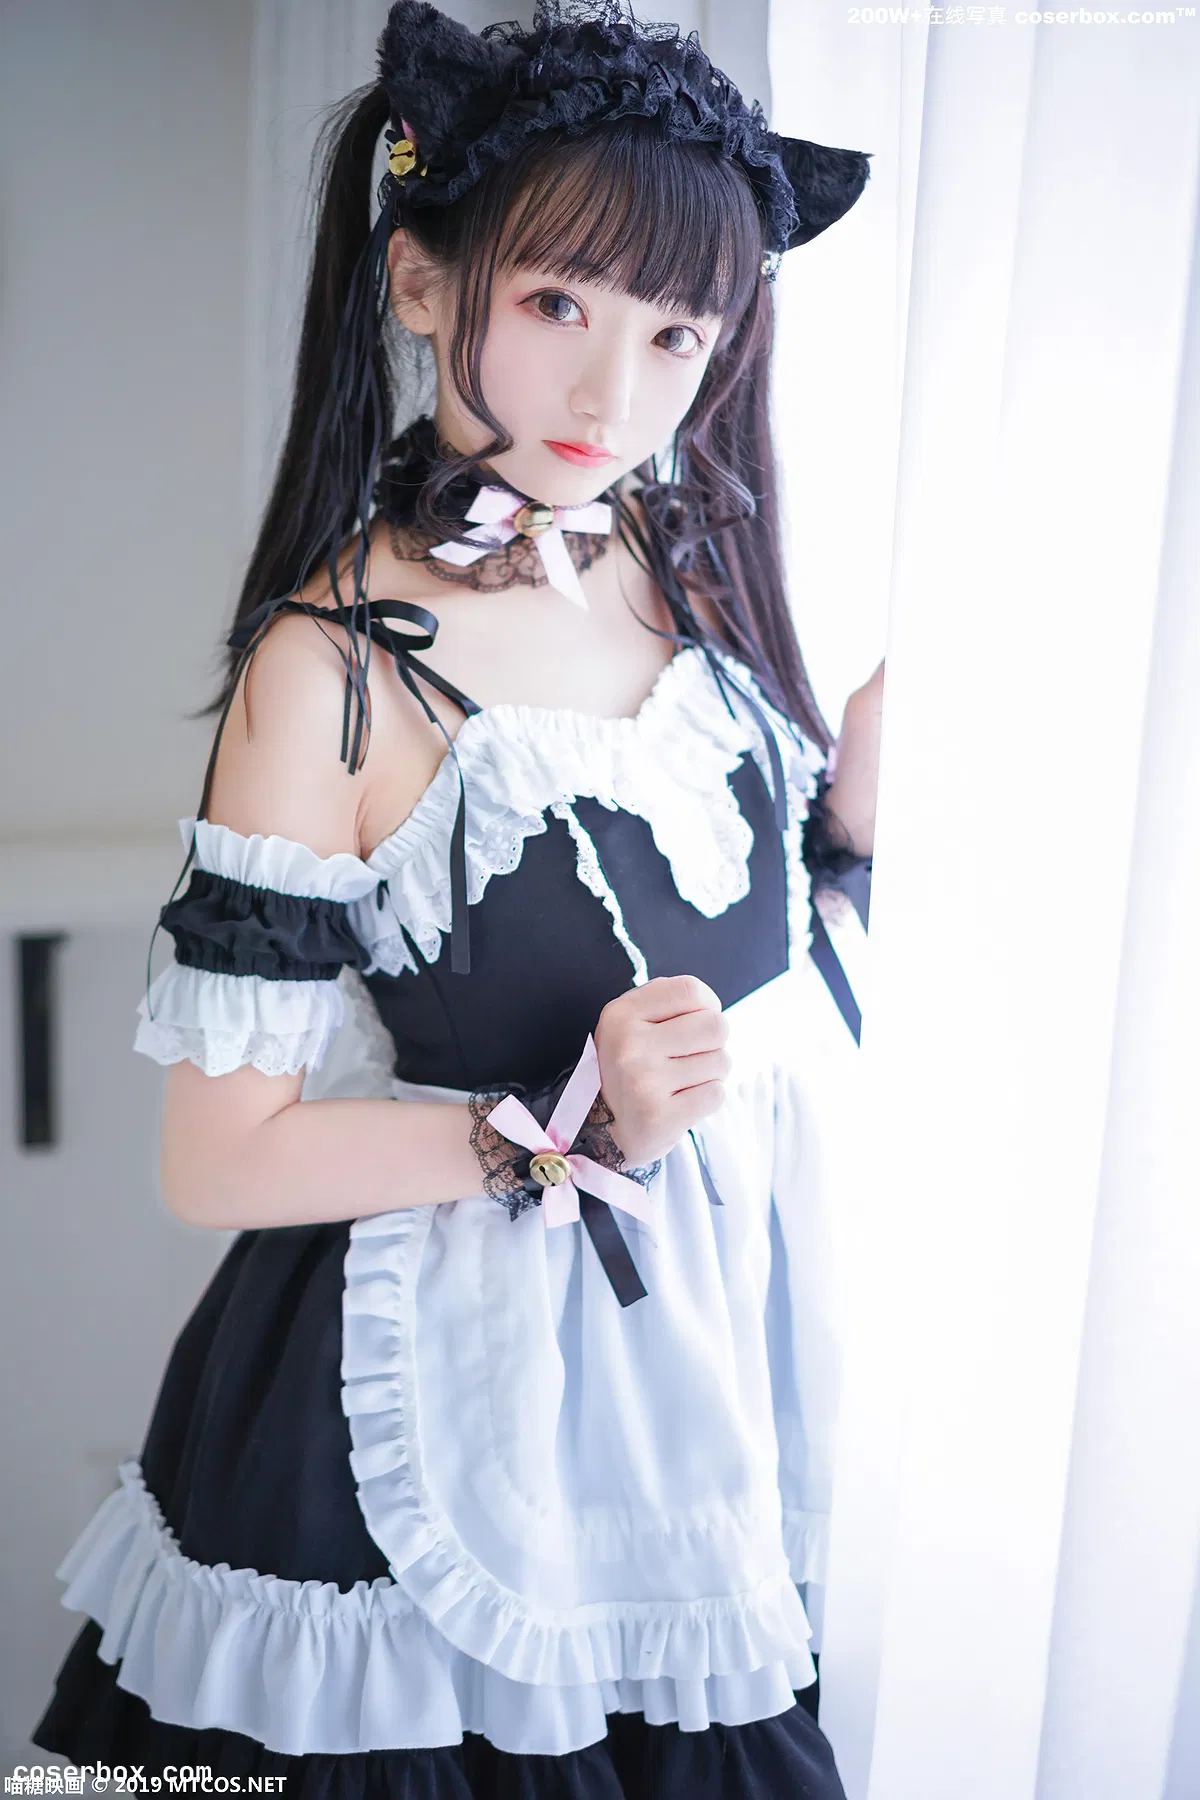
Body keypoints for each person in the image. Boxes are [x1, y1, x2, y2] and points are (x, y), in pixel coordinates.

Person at [31, 3, 882, 1793]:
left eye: (675, 333)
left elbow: (733, 959)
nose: (612, 397)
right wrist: (566, 1133)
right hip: (417, 1424)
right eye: (559, 304)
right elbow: (220, 1161)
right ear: (422, 283)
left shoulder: (692, 570)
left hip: (685, 1405)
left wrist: (853, 825)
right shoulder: (330, 672)